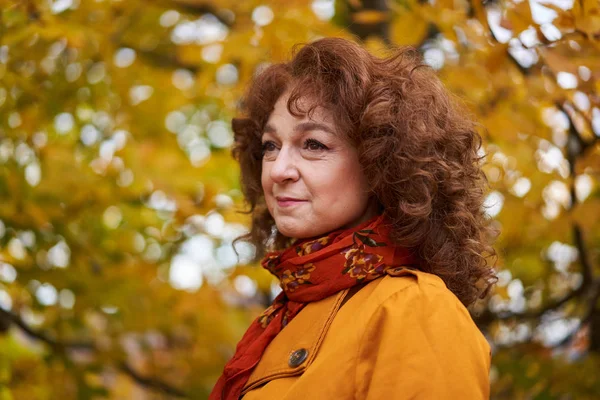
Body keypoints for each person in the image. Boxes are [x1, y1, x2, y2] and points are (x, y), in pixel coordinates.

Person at [209, 36, 498, 400]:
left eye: (313, 144)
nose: (279, 169)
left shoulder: (414, 309)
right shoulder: (283, 317)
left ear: (381, 165)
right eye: (271, 146)